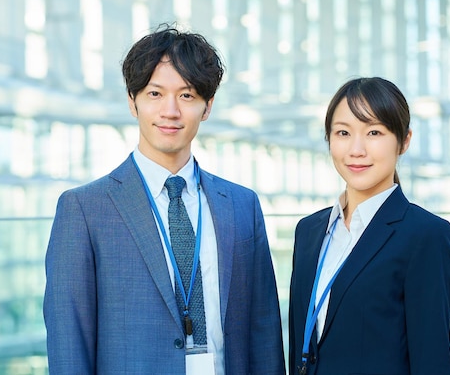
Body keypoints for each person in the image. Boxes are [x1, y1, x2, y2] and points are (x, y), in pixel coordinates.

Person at [43, 24, 285, 375]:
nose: (170, 111)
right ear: (133, 102)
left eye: (186, 95)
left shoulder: (241, 205)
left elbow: (263, 330)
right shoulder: (84, 209)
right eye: (155, 94)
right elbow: (69, 342)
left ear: (207, 106)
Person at [288, 77, 450, 375]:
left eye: (374, 132)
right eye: (343, 132)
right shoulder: (310, 231)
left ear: (404, 141)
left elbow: (431, 360)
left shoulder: (425, 235)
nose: (356, 150)